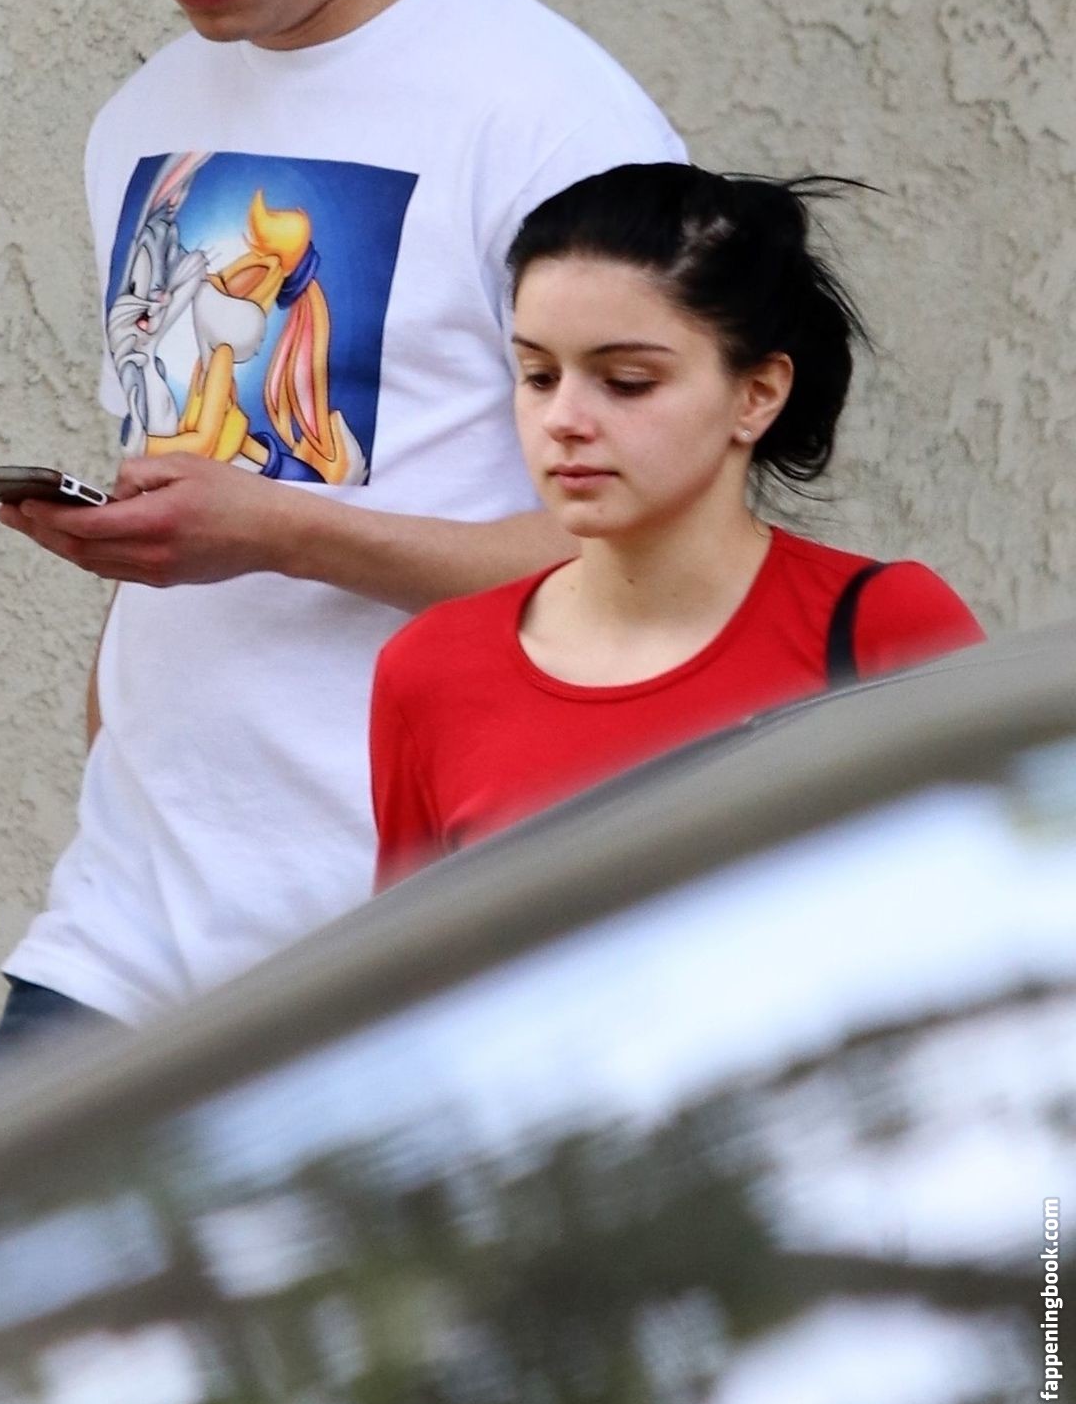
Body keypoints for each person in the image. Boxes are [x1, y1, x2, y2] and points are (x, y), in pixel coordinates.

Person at [0, 0, 685, 1067]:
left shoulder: (554, 127)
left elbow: (670, 560)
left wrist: (283, 534)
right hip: (124, 941)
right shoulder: (145, 119)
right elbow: (187, 475)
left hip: (420, 953)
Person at [370, 163, 985, 884]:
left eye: (626, 382)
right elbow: (424, 953)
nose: (563, 419)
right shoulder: (429, 672)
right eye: (538, 375)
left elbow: (1003, 908)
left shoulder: (883, 628)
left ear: (757, 394)